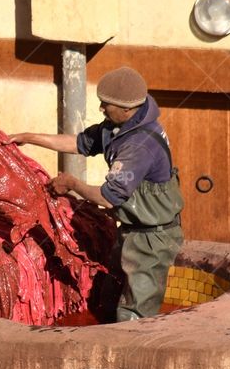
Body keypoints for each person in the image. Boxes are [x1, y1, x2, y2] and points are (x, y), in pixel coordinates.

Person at [11, 66, 184, 321]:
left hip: (152, 239)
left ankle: (128, 357)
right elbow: (79, 143)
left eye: (106, 105)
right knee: (108, 297)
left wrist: (72, 184)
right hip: (131, 228)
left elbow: (107, 197)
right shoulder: (118, 126)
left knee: (134, 313)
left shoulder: (138, 146)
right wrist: (28, 137)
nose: (101, 109)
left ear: (127, 109)